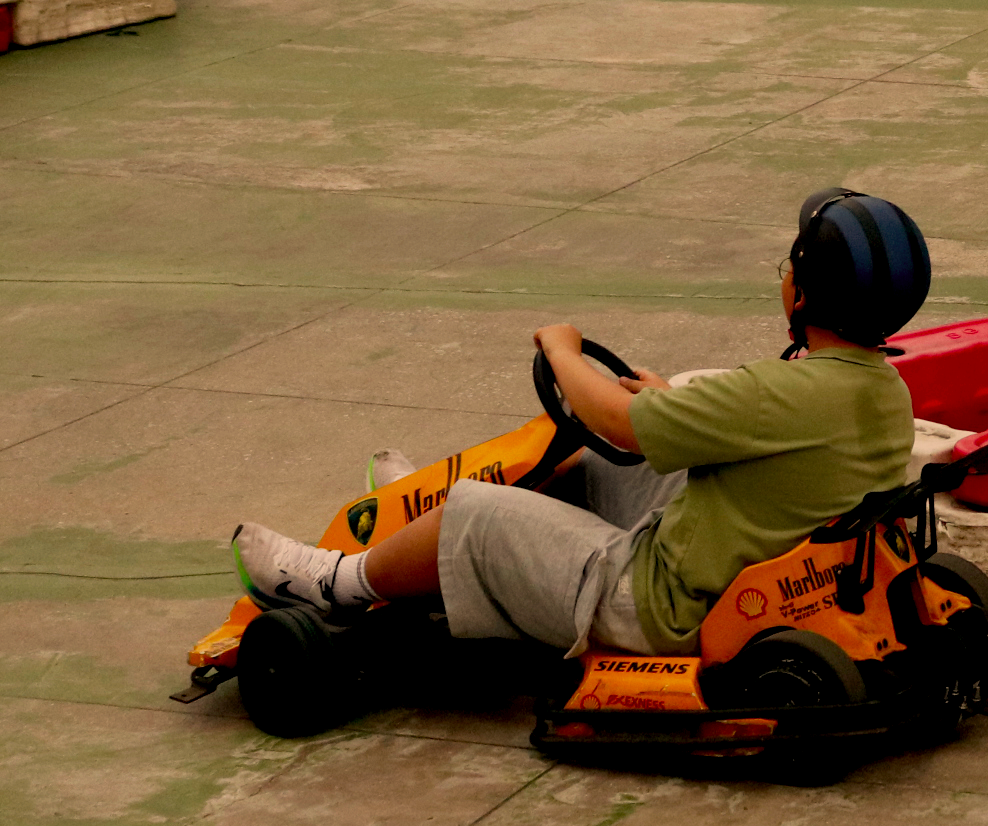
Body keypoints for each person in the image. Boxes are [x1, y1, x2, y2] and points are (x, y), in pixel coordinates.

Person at [229, 188, 930, 656]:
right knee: (606, 454)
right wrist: (668, 401)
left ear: (803, 289)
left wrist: (563, 353)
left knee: (474, 514)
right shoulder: (881, 390)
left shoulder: (779, 394)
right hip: (764, 573)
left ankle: (339, 581)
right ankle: (414, 530)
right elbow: (748, 434)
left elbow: (618, 420)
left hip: (663, 605)